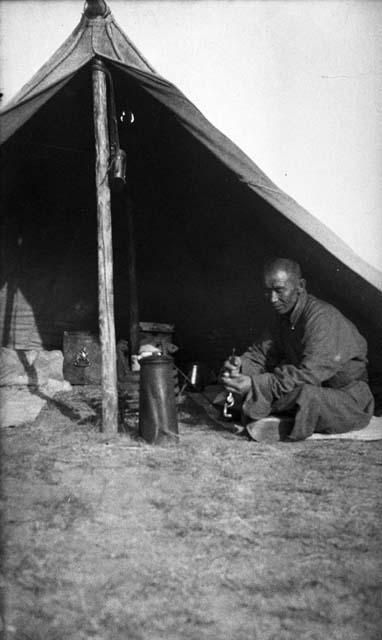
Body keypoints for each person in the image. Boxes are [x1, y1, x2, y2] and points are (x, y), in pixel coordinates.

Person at [220, 258, 374, 441]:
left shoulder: (322, 318)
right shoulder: (282, 316)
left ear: (300, 286)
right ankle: (279, 418)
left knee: (305, 395)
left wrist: (255, 384)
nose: (272, 299)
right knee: (271, 387)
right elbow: (260, 353)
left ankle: (279, 421)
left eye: (279, 290)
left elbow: (308, 374)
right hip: (309, 387)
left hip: (346, 399)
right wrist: (239, 366)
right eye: (267, 291)